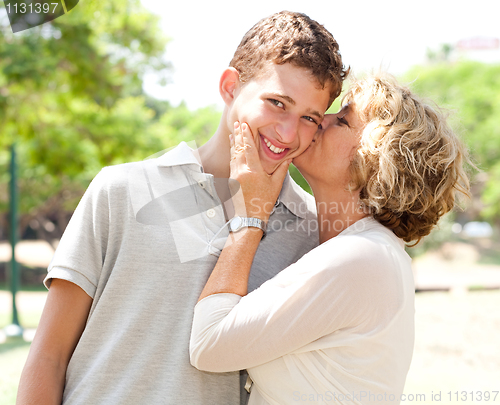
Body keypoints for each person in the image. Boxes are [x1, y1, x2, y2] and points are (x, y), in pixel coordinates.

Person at [16, 10, 348, 405]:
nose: (289, 133)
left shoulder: (314, 235)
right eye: (277, 103)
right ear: (230, 87)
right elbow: (48, 357)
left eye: (309, 117)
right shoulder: (121, 190)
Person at [189, 74, 471, 404]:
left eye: (343, 119)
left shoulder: (360, 258)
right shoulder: (366, 251)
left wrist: (250, 217)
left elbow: (208, 344)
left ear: (375, 159)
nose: (322, 119)